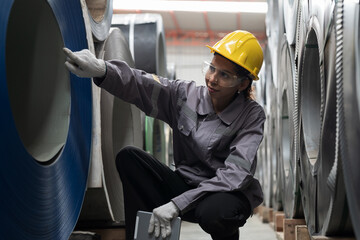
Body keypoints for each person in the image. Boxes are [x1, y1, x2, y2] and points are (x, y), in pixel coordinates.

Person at [64, 30, 265, 240]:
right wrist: (103, 70)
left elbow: (235, 174)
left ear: (243, 84)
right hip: (184, 184)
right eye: (212, 68)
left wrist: (176, 205)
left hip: (224, 194)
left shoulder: (251, 115)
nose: (212, 79)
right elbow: (143, 84)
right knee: (130, 157)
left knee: (216, 214)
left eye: (225, 75)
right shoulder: (186, 95)